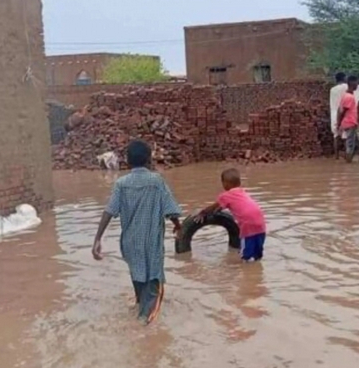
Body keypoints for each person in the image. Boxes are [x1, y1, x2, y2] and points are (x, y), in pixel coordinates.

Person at [92, 139, 183, 325]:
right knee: (154, 282)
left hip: (130, 243)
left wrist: (97, 239)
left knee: (138, 275)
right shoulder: (156, 181)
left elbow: (109, 210)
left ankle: (139, 307)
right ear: (149, 160)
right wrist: (178, 225)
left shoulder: (121, 184)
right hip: (151, 243)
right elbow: (170, 209)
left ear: (127, 161)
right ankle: (144, 325)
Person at [197, 168, 266, 262]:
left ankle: (248, 273)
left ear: (225, 183)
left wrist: (203, 212)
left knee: (246, 257)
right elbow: (223, 206)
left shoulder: (225, 196)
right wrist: (218, 210)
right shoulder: (242, 192)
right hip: (261, 224)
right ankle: (257, 271)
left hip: (247, 226)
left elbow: (214, 207)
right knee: (257, 255)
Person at [336, 75, 359, 163]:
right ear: (352, 84)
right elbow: (342, 111)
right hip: (350, 123)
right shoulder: (349, 97)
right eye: (357, 83)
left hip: (350, 122)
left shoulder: (347, 95)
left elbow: (341, 110)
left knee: (357, 144)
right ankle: (348, 159)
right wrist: (339, 124)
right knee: (350, 144)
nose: (358, 85)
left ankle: (346, 156)